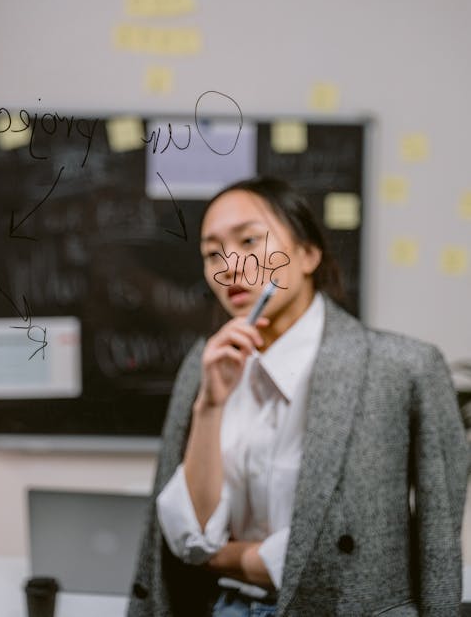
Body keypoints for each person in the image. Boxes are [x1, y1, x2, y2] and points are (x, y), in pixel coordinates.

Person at [127, 176, 469, 617]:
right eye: (212, 253)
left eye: (249, 240)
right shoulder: (205, 362)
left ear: (308, 254)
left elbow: (435, 545)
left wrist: (233, 558)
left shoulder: (403, 368)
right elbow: (188, 538)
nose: (229, 265)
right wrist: (210, 405)